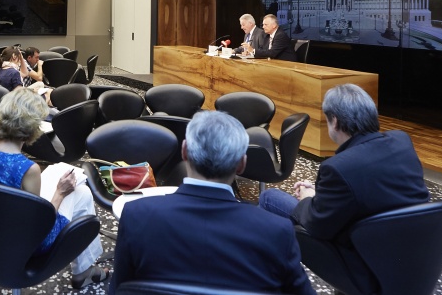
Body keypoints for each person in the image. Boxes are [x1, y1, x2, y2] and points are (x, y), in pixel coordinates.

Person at [109, 110, 315, 294]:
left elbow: (119, 289)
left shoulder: (136, 215)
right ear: (242, 164)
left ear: (184, 152)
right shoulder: (277, 232)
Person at [0, 89, 106, 289]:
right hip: (25, 244)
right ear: (31, 127)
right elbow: (36, 228)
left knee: (69, 186)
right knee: (82, 193)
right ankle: (83, 271)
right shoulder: (28, 169)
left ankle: (84, 269)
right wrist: (60, 192)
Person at [260, 84, 430, 240]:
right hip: (411, 244)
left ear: (335, 121)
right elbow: (371, 186)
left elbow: (318, 225)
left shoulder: (338, 167)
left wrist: (308, 199)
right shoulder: (402, 141)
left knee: (269, 197)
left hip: (361, 252)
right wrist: (324, 192)